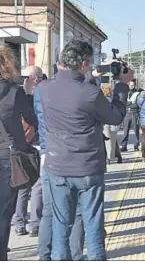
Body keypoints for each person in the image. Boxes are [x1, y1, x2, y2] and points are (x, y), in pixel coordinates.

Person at [36, 39, 132, 260]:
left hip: (57, 167)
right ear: (84, 64)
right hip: (88, 169)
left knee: (61, 226)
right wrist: (122, 85)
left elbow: (69, 91)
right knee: (93, 224)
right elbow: (115, 117)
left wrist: (90, 76)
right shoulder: (90, 93)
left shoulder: (44, 89)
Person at [34, 64, 85, 261]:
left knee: (50, 209)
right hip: (72, 156)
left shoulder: (42, 91)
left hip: (47, 154)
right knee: (78, 210)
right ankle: (74, 256)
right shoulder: (80, 90)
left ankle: (44, 255)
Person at [0, 44, 38, 261]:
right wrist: (29, 94)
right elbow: (33, 120)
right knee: (4, 213)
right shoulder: (15, 92)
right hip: (9, 160)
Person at [13, 66, 43, 237]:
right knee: (36, 186)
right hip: (35, 145)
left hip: (24, 145)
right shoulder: (35, 96)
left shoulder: (18, 95)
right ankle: (35, 224)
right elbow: (34, 119)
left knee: (24, 186)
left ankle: (20, 223)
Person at [102, 86, 122, 165]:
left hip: (106, 122)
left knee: (107, 141)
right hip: (114, 122)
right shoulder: (114, 101)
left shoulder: (102, 101)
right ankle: (119, 156)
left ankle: (108, 158)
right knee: (114, 140)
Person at [120, 79, 139, 152]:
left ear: (135, 85)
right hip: (127, 113)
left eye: (133, 85)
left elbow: (137, 105)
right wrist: (130, 103)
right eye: (130, 85)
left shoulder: (138, 93)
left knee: (136, 131)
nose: (131, 86)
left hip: (135, 113)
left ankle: (136, 145)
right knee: (125, 131)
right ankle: (124, 146)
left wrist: (129, 103)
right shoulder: (125, 93)